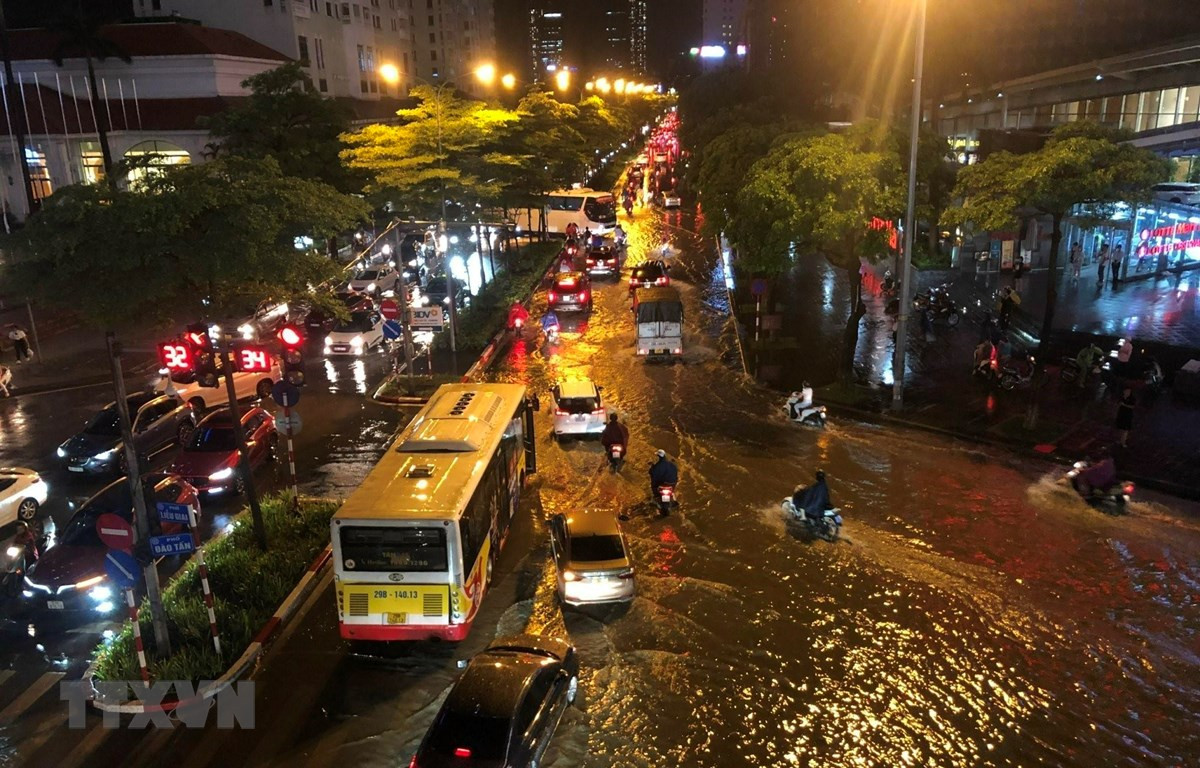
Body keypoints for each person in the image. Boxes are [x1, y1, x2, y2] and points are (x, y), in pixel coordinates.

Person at [648, 449, 679, 515]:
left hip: (662, 485)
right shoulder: (672, 465)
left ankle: (656, 496)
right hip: (671, 484)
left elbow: (653, 475)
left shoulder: (658, 466)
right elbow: (676, 475)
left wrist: (651, 468)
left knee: (654, 486)